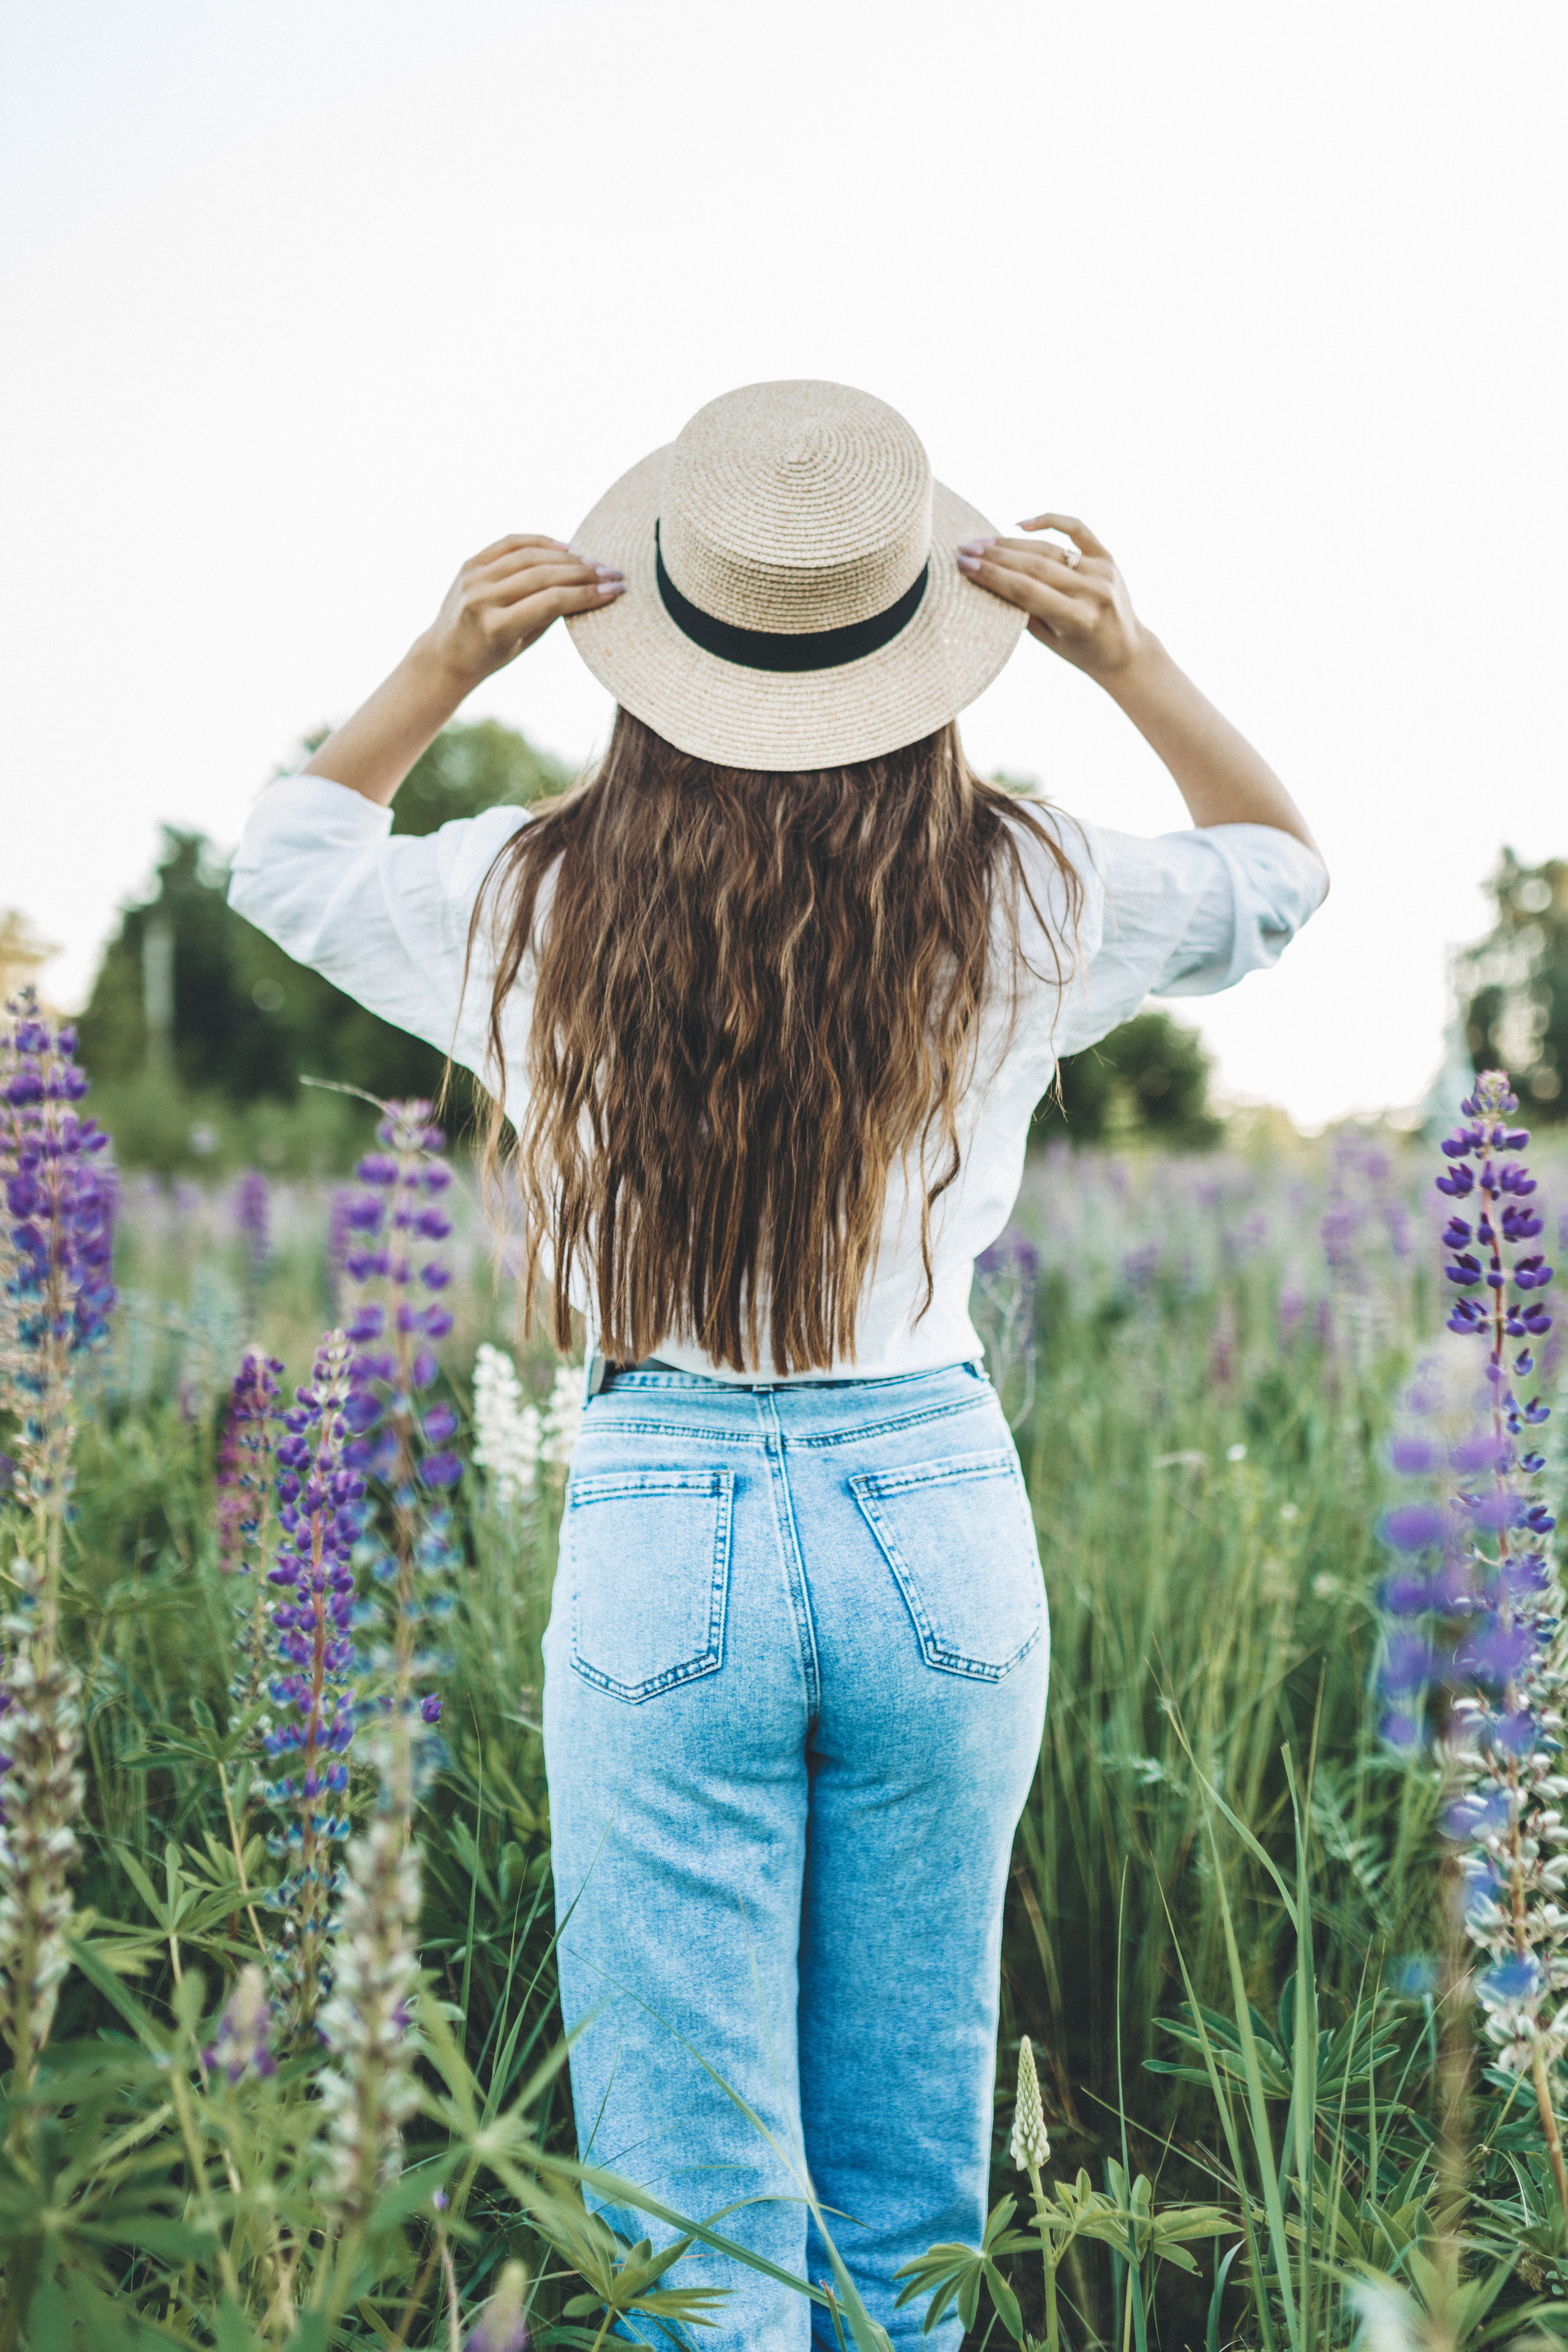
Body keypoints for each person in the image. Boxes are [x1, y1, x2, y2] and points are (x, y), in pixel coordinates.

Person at [230, 379, 1325, 2351]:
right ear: (929, 656)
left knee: (691, 2215)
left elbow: (290, 864)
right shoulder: (1026, 887)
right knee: (912, 2199)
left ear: (650, 650)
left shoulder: (527, 897)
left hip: (666, 1515)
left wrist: (430, 657)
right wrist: (1131, 652)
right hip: (938, 1514)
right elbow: (1276, 867)